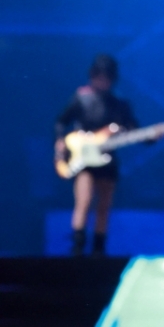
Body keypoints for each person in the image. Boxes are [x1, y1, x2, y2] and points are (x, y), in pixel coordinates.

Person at [54, 54, 137, 257]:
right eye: (99, 77)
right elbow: (61, 121)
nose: (102, 81)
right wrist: (60, 143)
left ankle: (99, 250)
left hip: (107, 160)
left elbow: (134, 130)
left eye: (106, 77)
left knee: (104, 206)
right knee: (83, 201)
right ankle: (77, 248)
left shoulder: (120, 104)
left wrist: (153, 136)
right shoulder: (81, 97)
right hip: (85, 159)